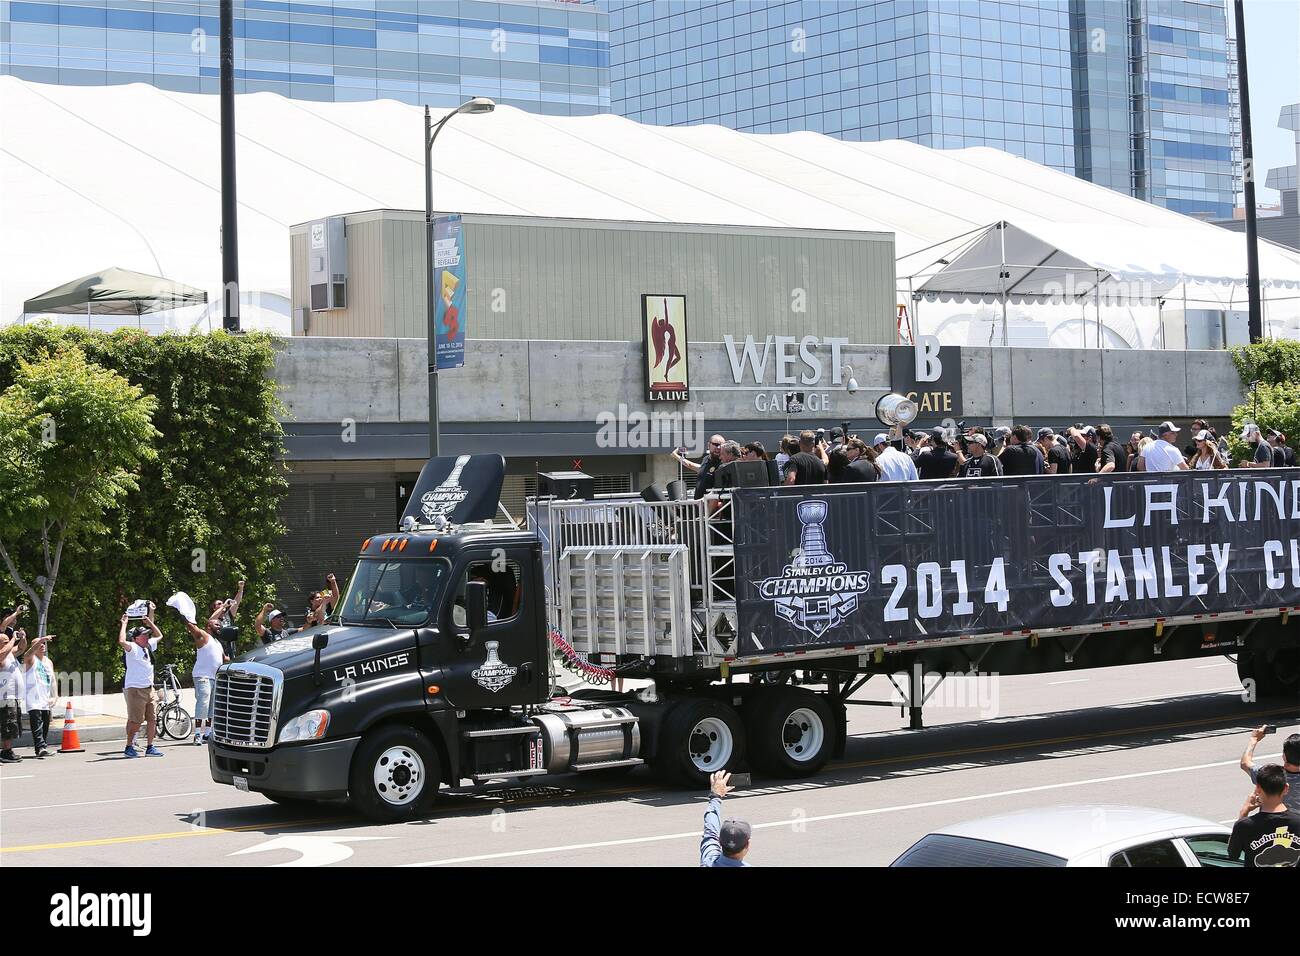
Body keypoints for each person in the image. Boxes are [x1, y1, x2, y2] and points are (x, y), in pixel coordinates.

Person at [1227, 764, 1300, 867]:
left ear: (1258, 788)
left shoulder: (1244, 826)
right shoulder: (1297, 823)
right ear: (1286, 788)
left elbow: (1232, 854)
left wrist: (1244, 813)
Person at [118, 610, 164, 758]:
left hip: (149, 689)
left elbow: (159, 635)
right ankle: (129, 746)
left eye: (146, 635)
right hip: (136, 690)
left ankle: (150, 746)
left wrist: (149, 622)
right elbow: (121, 641)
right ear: (136, 638)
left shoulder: (148, 646)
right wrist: (124, 624)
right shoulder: (133, 649)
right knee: (136, 721)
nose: (146, 637)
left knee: (152, 719)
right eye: (143, 635)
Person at [184, 616, 228, 745]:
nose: (219, 627)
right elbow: (192, 628)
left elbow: (224, 658)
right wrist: (185, 614)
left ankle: (207, 734)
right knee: (204, 700)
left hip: (214, 677)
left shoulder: (217, 642)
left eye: (220, 625)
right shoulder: (203, 636)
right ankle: (197, 733)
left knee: (212, 705)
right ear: (209, 626)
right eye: (217, 625)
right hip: (202, 675)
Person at [1241, 728, 1300, 814]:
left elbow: (1245, 763)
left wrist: (1254, 739)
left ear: (1284, 756)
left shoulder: (1269, 775)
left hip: (1270, 825)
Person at [700, 770, 752, 867]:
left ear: (720, 841)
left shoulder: (708, 861)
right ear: (747, 845)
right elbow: (710, 835)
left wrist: (716, 796)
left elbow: (710, 833)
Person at [0, 609, 28, 764]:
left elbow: (21, 649)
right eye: (4, 642)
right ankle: (5, 752)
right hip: (5, 696)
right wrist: (11, 641)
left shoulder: (9, 652)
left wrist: (22, 638)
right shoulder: (2, 655)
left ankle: (8, 750)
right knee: (8, 725)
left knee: (12, 724)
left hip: (14, 695)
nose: (8, 642)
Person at [23, 633, 56, 758]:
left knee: (46, 724)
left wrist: (55, 696)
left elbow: (52, 680)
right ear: (33, 647)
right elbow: (27, 653)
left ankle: (43, 747)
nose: (42, 645)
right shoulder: (30, 659)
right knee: (37, 724)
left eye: (43, 643)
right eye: (39, 644)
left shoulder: (49, 662)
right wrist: (41, 639)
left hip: (45, 698)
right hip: (33, 698)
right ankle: (40, 747)